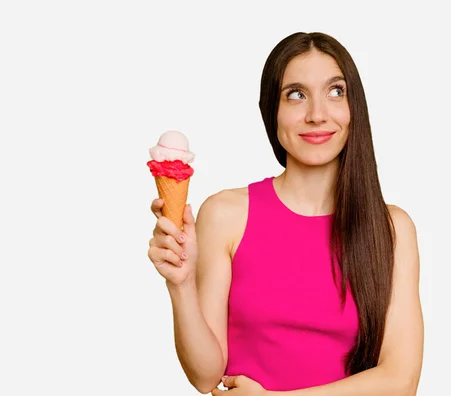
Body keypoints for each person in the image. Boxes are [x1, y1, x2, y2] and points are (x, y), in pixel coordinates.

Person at [147, 31, 424, 395]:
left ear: (354, 107)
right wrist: (180, 285)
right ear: (271, 112)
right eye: (296, 95)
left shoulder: (391, 229)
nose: (317, 115)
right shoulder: (226, 215)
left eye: (335, 91)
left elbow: (400, 381)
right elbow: (204, 376)